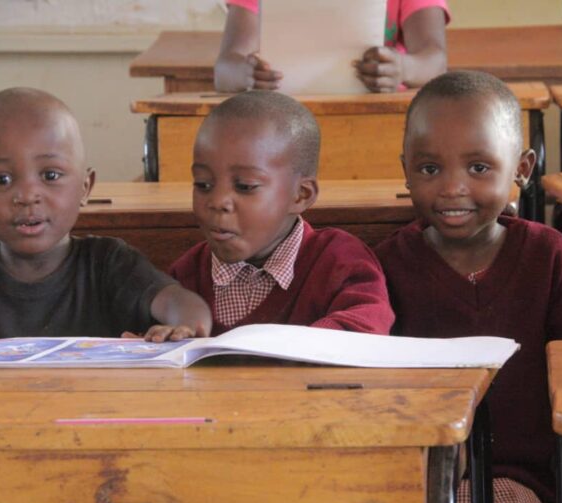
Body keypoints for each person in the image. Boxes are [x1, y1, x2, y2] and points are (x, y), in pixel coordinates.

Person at [374, 71, 562, 503]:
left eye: (478, 168)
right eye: (429, 168)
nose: (452, 187)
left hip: (528, 481)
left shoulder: (545, 255)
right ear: (405, 169)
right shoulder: (388, 265)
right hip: (422, 475)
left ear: (521, 169)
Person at [169, 90, 395, 336]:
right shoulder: (187, 274)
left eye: (245, 186)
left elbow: (365, 328)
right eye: (203, 184)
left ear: (301, 195)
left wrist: (279, 348)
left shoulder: (340, 261)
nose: (217, 201)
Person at [0, 87, 212, 341]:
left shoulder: (108, 263)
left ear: (85, 187)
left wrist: (184, 326)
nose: (27, 196)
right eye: (1, 179)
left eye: (50, 175)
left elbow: (181, 303)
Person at [215, 0, 449, 93]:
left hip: (376, 114)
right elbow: (225, 69)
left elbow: (435, 61)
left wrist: (403, 68)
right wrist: (246, 75)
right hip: (279, 117)